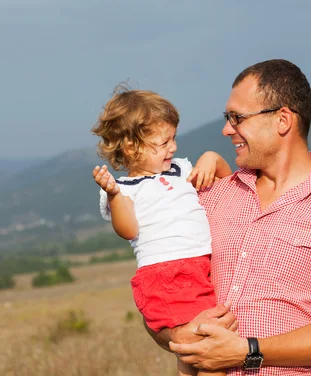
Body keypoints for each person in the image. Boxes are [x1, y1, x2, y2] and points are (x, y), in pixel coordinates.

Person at [148, 59, 311, 375]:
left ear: (283, 120)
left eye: (237, 118)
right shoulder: (206, 199)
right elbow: (158, 285)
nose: (226, 129)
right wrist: (180, 335)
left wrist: (247, 352)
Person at [91, 86, 233, 376]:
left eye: (174, 138)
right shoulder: (125, 190)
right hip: (166, 276)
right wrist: (114, 195)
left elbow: (230, 187)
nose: (174, 147)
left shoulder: (181, 170)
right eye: (165, 141)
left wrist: (213, 159)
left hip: (202, 270)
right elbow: (128, 230)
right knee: (200, 346)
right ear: (132, 147)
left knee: (210, 346)